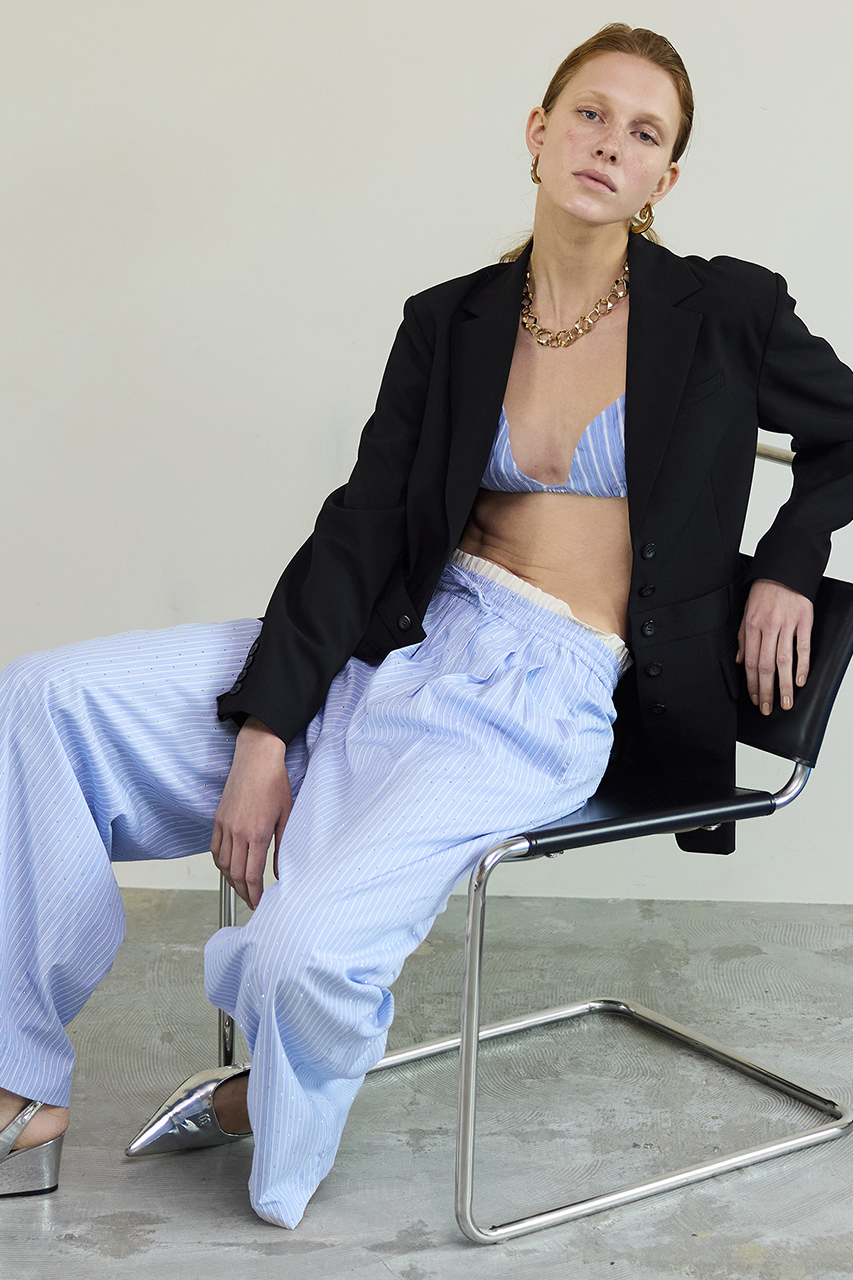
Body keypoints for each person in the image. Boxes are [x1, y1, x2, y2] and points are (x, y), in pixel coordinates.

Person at [2, 22, 852, 1228]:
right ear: (538, 132)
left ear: (664, 178)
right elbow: (359, 528)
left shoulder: (725, 309)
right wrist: (265, 728)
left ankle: (267, 1091)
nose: (609, 143)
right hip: (397, 639)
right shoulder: (451, 320)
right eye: (589, 113)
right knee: (41, 697)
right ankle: (19, 1079)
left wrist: (790, 562)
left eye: (643, 132)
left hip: (542, 690)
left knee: (302, 952)